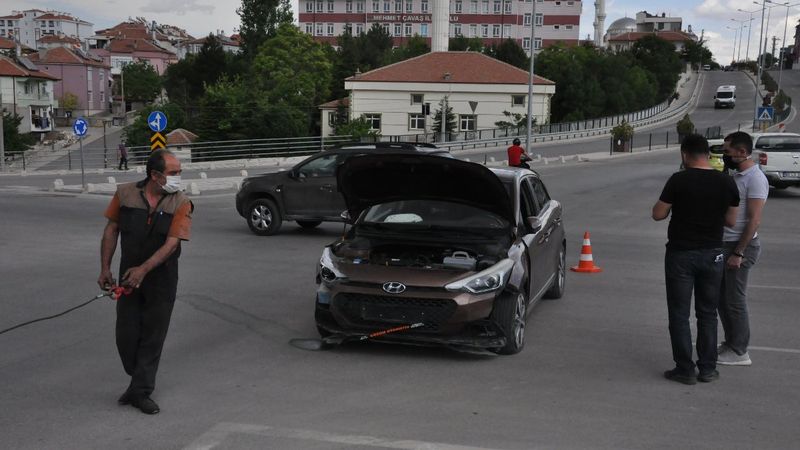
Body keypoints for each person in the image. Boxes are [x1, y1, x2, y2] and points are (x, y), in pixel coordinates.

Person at [98, 149, 193, 414]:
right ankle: (137, 380)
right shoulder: (125, 194)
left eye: (179, 172)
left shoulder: (181, 202)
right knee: (125, 337)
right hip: (129, 278)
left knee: (153, 337)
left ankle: (141, 391)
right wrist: (105, 267)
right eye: (173, 173)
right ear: (155, 175)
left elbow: (172, 244)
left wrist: (144, 269)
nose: (178, 178)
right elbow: (111, 230)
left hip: (161, 280)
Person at [652, 134, 739, 385]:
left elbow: (658, 214)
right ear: (708, 155)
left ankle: (684, 369)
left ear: (684, 154)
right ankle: (708, 368)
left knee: (679, 314)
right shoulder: (726, 182)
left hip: (681, 253)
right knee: (708, 313)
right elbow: (731, 221)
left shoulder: (679, 180)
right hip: (713, 253)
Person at [717, 131, 769, 366]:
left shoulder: (755, 178)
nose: (724, 155)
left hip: (739, 246)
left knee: (734, 300)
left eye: (727, 151)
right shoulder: (737, 175)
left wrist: (739, 252)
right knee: (722, 299)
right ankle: (730, 343)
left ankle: (740, 351)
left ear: (742, 152)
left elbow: (754, 219)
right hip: (726, 244)